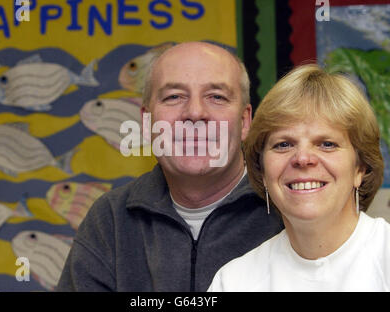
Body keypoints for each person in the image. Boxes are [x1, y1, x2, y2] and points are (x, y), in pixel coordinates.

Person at [56, 41, 284, 291]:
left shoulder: (287, 208)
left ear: (244, 121)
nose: (195, 113)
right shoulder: (110, 219)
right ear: (146, 122)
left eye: (216, 97)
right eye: (174, 97)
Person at [208, 64, 390, 292]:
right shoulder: (233, 281)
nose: (303, 158)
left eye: (327, 144)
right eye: (283, 144)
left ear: (359, 169)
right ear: (262, 171)